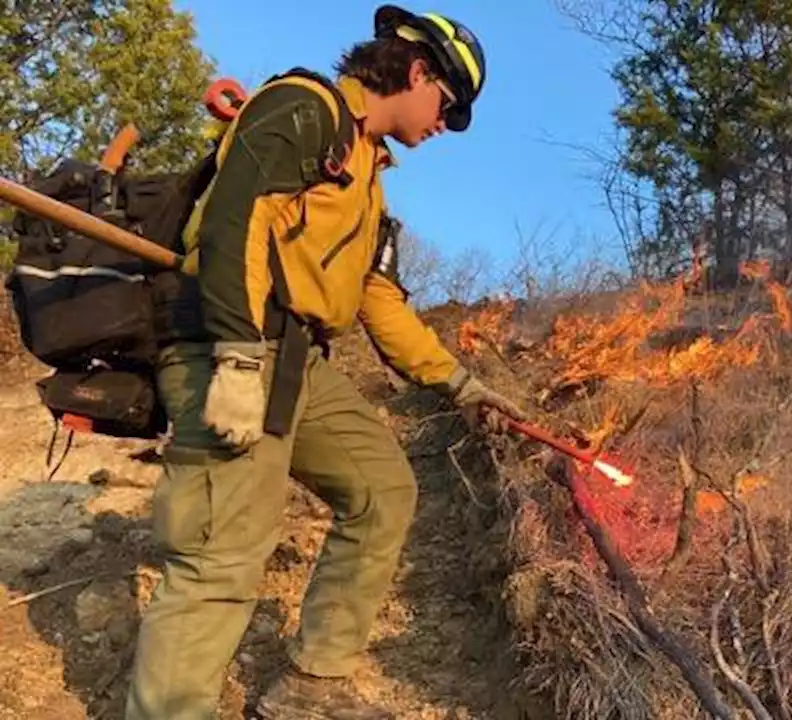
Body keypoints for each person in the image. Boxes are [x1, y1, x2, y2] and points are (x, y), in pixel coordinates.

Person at [123, 6, 525, 719]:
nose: (446, 125)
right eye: (449, 106)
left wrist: (461, 384)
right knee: (221, 556)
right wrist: (240, 358)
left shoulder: (366, 175)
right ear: (417, 70)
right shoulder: (303, 109)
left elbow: (378, 299)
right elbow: (233, 222)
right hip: (230, 348)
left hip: (297, 363)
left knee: (382, 491)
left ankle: (311, 686)